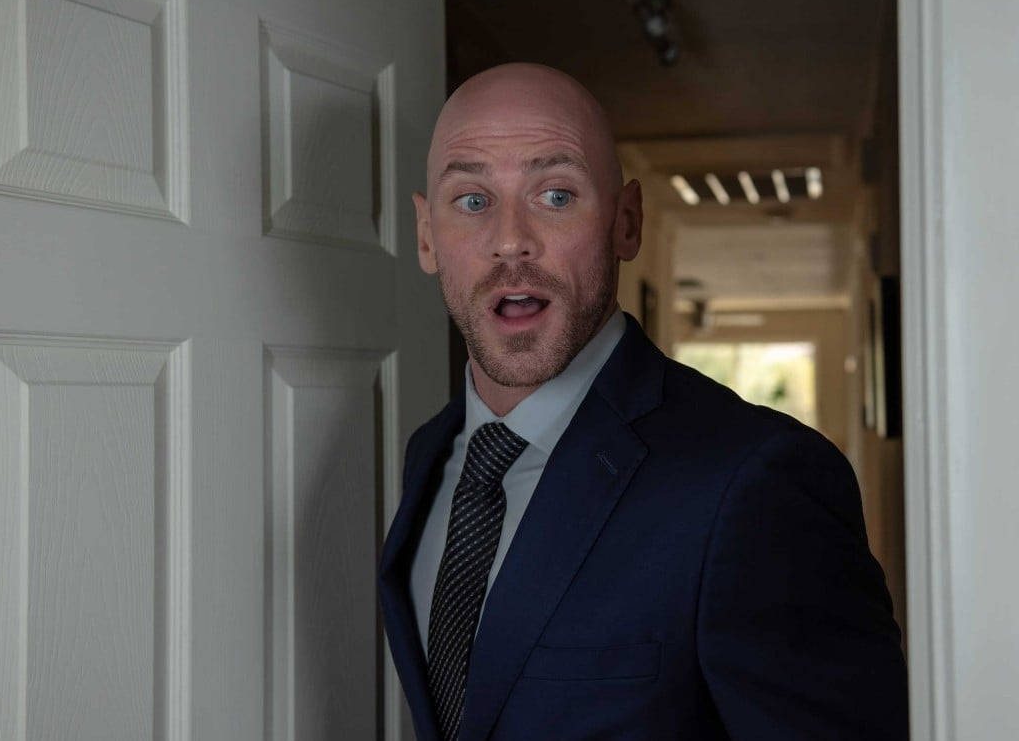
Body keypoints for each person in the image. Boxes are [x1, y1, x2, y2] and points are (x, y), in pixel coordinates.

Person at [378, 63, 908, 741]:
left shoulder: (758, 479)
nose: (511, 239)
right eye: (473, 200)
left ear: (626, 223)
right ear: (426, 234)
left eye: (556, 195)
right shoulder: (430, 453)